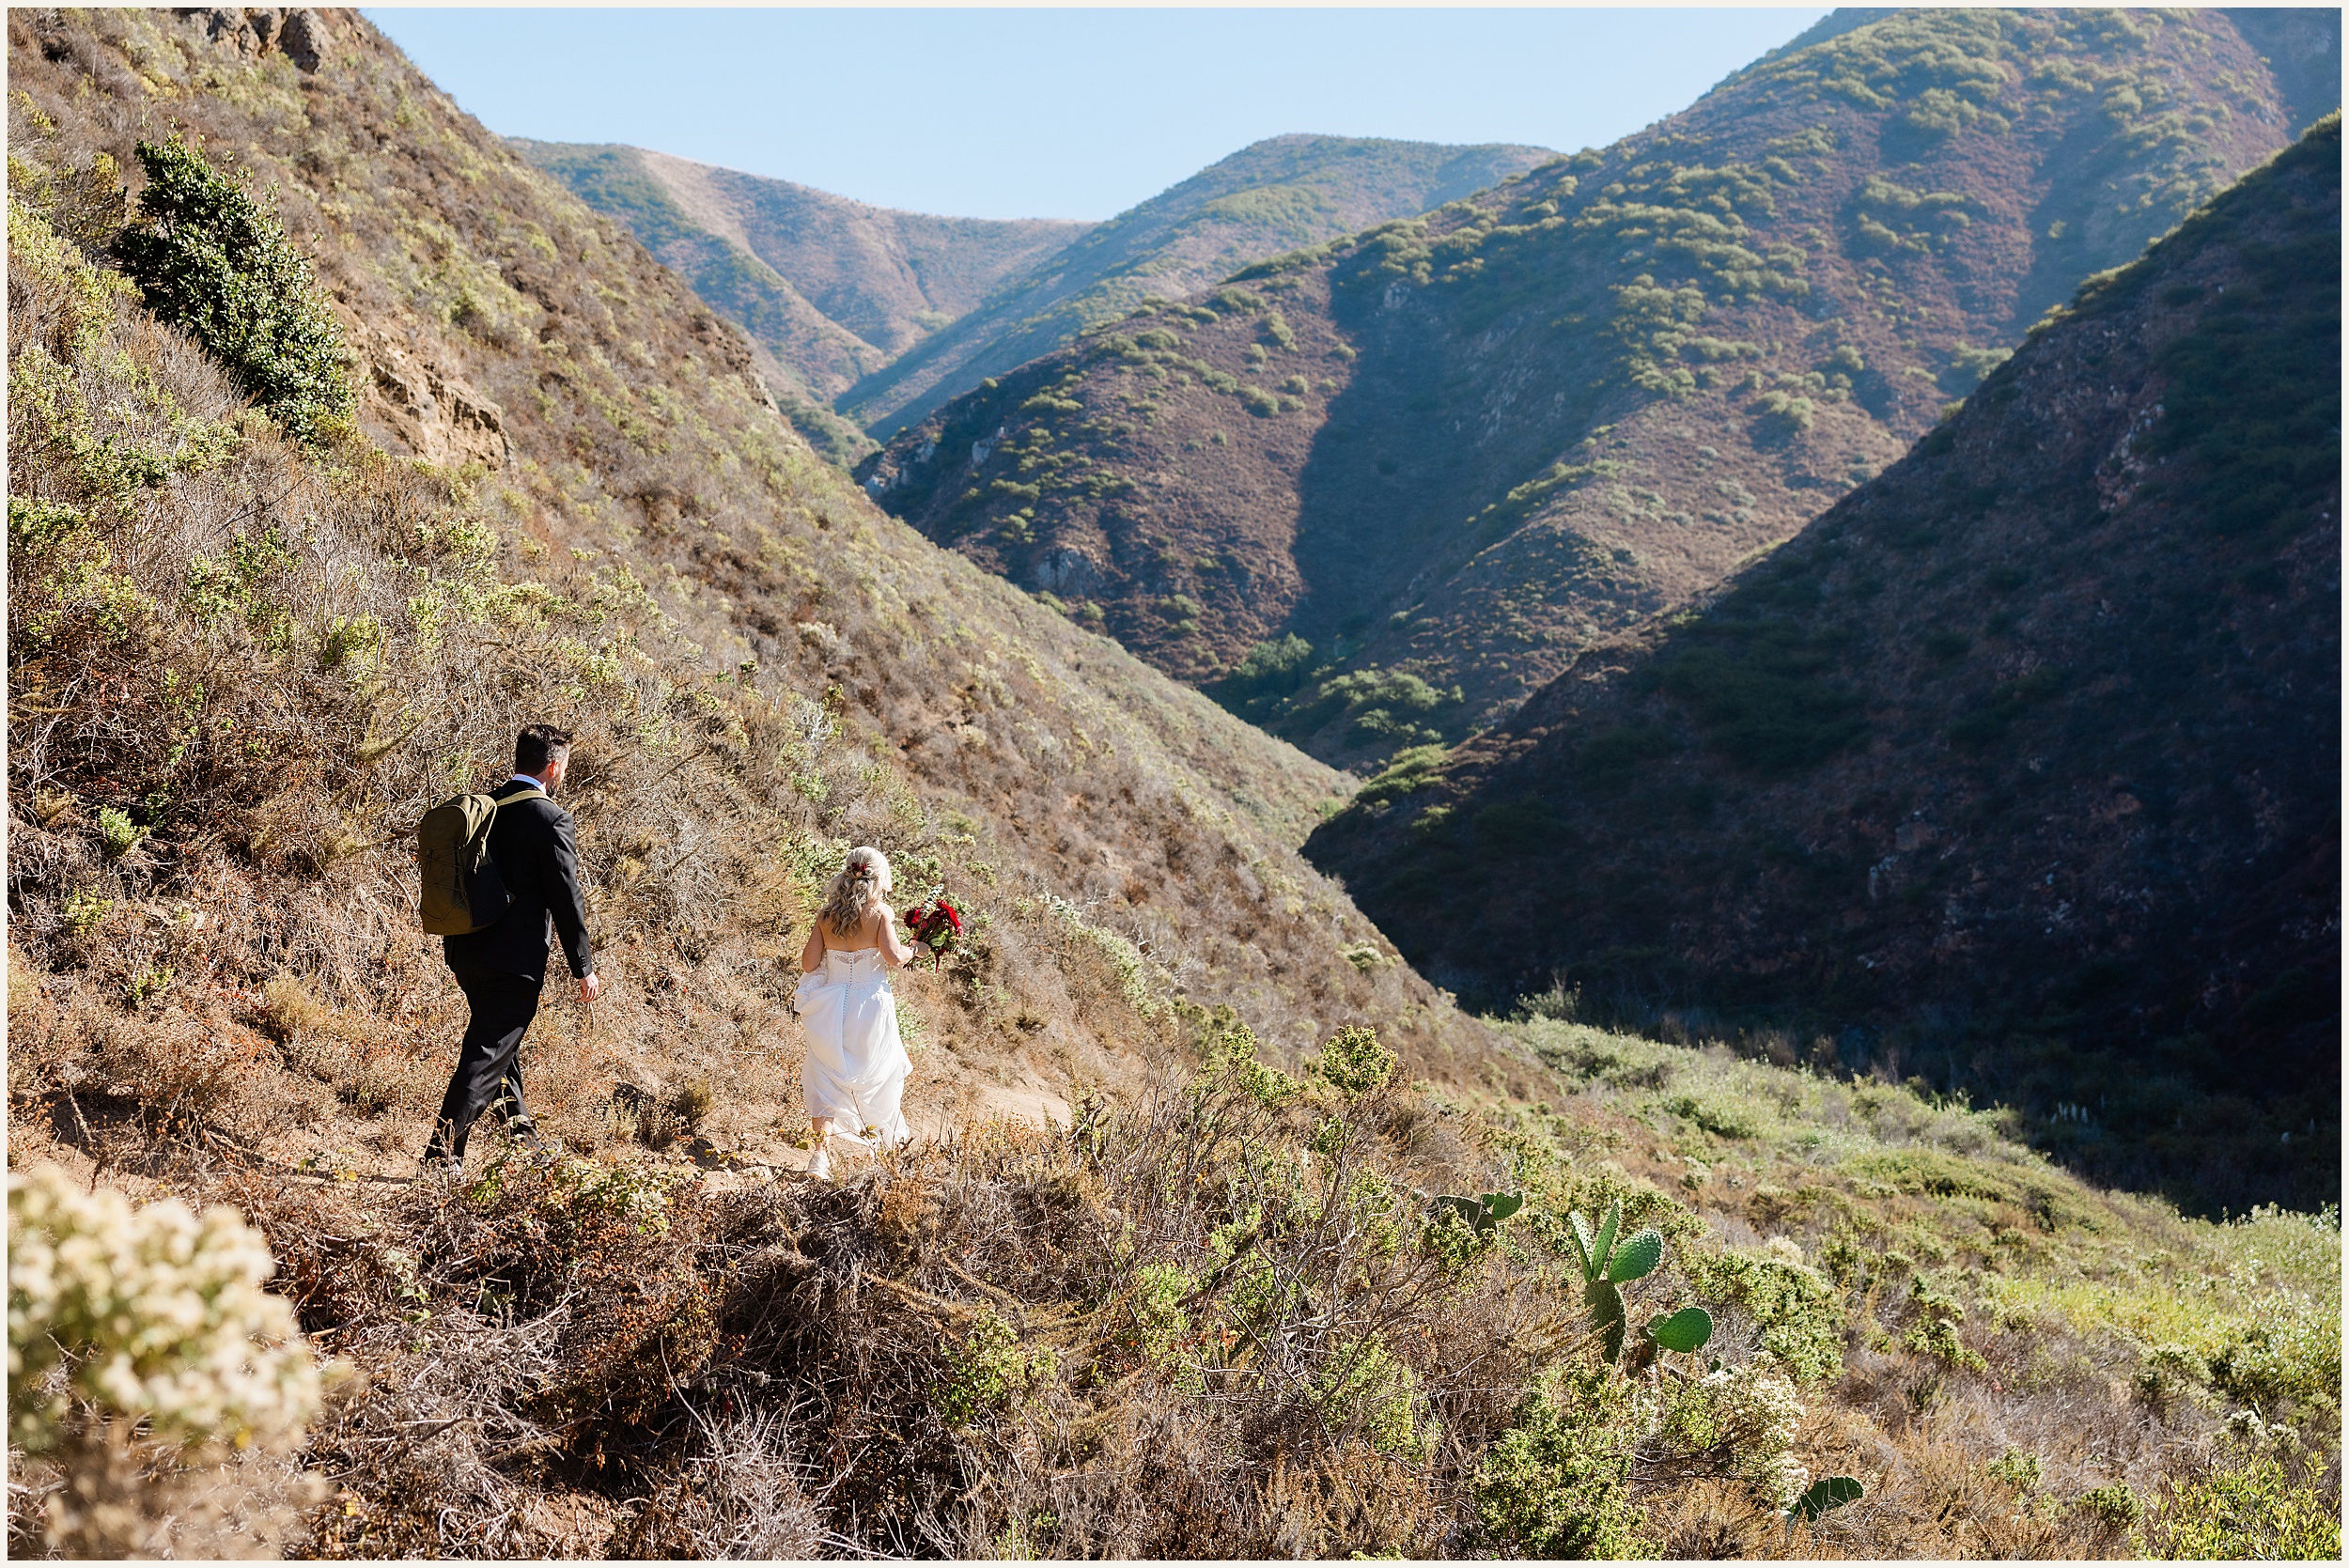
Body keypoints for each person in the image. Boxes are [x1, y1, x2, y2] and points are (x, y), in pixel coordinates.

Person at [421, 723, 600, 1173]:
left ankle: (526, 1141)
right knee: (486, 1054)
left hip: (466, 952)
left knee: (498, 1045)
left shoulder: (487, 808)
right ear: (554, 767)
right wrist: (583, 965)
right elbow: (566, 896)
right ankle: (439, 1158)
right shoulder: (550, 819)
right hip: (515, 962)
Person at [795, 846, 915, 1180]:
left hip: (830, 1006)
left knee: (826, 1076)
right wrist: (914, 950)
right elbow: (893, 957)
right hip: (870, 1005)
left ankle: (820, 1157)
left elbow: (808, 964)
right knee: (878, 1074)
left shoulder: (825, 915)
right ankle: (888, 1154)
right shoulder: (881, 913)